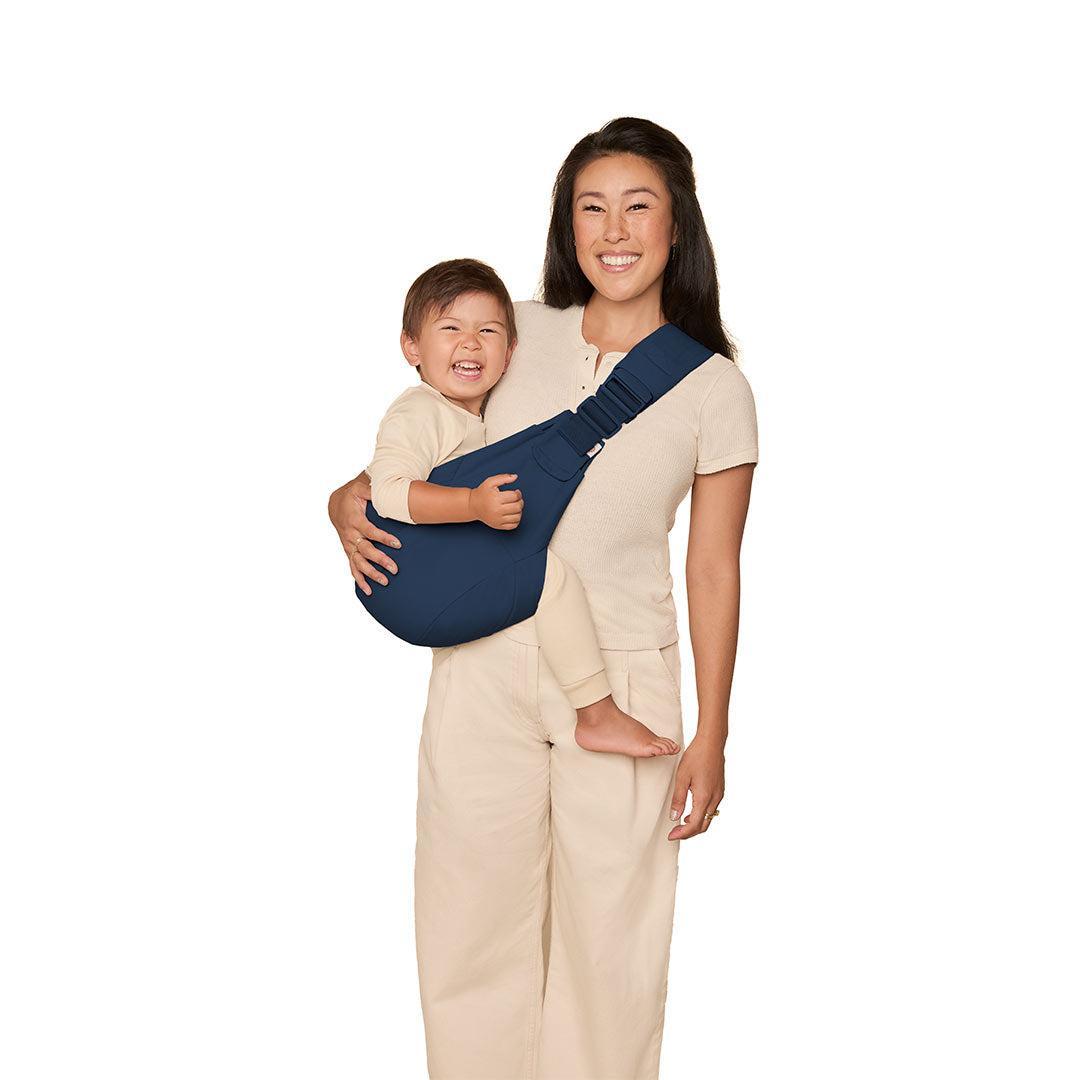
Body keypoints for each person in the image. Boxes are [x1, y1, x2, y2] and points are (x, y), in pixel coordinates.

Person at [329, 117, 758, 1080]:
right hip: (485, 662)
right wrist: (339, 500)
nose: (615, 230)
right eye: (591, 208)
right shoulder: (517, 334)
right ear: (569, 226)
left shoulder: (714, 388)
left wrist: (714, 732)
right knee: (467, 930)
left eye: (638, 206)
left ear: (678, 224)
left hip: (624, 676)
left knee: (611, 950)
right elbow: (422, 451)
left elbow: (714, 568)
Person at [365, 256, 680, 758]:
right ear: (411, 347)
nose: (471, 343)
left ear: (511, 352)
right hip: (419, 578)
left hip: (452, 581)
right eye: (450, 328)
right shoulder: (419, 412)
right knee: (552, 579)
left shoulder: (479, 411)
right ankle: (596, 713)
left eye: (488, 331)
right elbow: (387, 492)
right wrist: (472, 503)